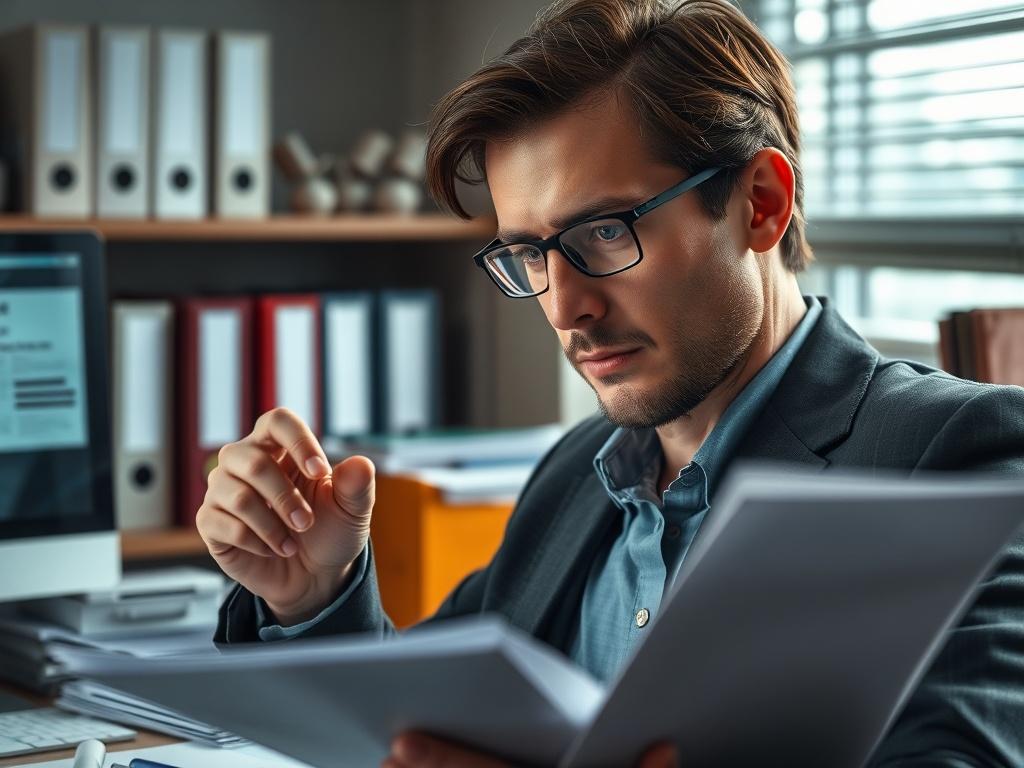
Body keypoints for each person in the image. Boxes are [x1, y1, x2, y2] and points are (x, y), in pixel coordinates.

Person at [197, 0, 1024, 765]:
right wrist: (315, 597)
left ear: (761, 205)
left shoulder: (959, 458)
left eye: (602, 231)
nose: (565, 308)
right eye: (529, 254)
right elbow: (419, 734)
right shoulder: (574, 476)